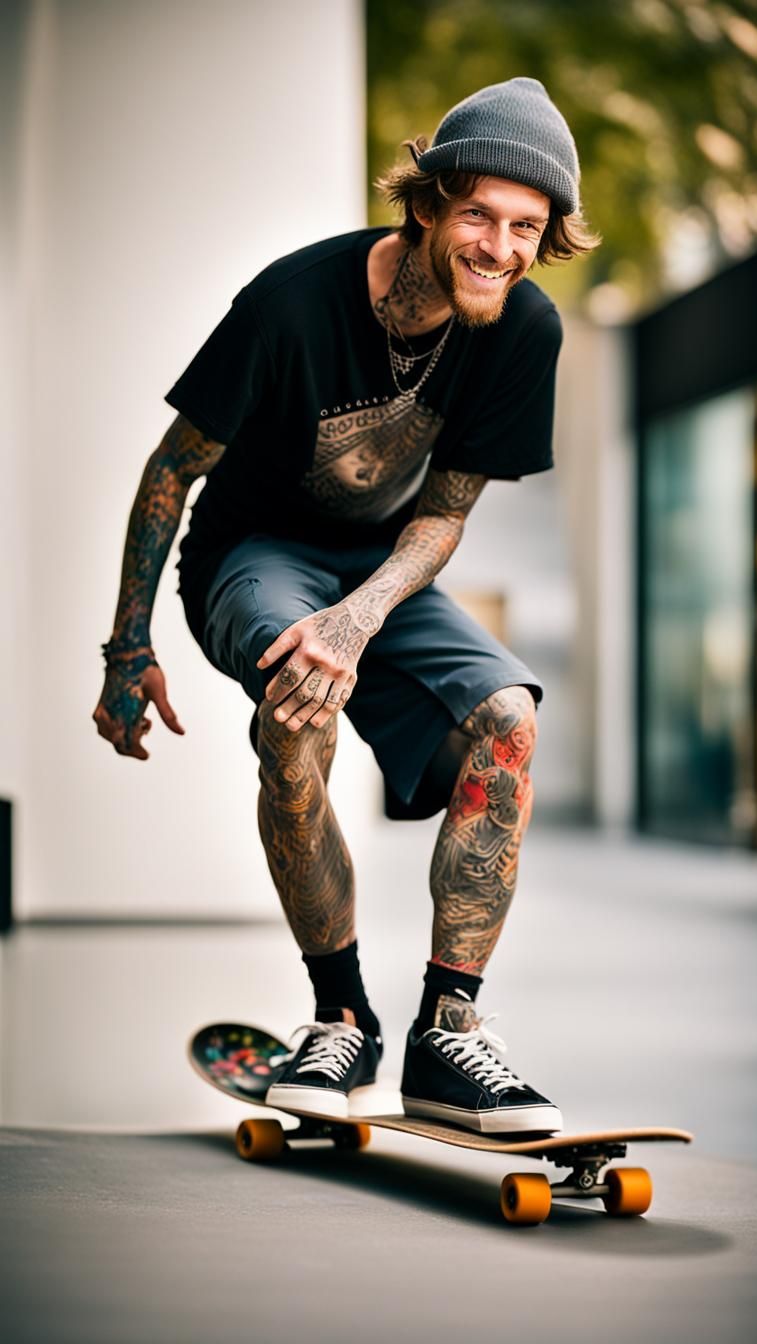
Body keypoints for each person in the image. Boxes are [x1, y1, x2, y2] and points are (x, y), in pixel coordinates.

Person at [93, 77, 599, 1134]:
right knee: (298, 692)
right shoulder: (291, 304)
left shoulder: (523, 330)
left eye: (525, 228)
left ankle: (446, 1033)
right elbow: (168, 471)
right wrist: (125, 647)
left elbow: (444, 515)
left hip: (384, 568)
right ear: (425, 204)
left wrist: (360, 614)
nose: (499, 248)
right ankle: (340, 1017)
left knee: (508, 720)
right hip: (251, 555)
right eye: (477, 216)